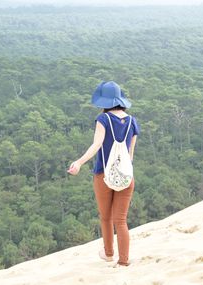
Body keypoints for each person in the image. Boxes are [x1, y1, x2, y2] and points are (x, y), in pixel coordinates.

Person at [67, 81, 140, 267]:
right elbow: (130, 155)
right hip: (126, 176)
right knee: (121, 220)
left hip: (103, 175)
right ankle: (123, 261)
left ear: (104, 102)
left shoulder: (103, 120)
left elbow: (96, 145)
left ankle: (108, 254)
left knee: (106, 217)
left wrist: (79, 162)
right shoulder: (133, 121)